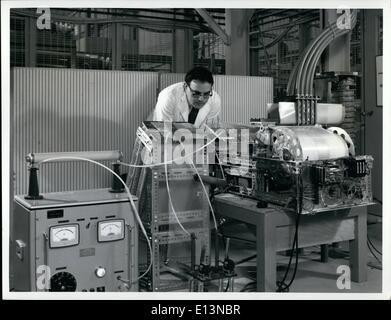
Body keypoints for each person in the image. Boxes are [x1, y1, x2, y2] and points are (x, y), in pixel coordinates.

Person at [153, 66, 221, 128]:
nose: (201, 99)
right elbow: (162, 132)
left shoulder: (215, 100)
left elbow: (210, 132)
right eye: (196, 94)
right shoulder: (168, 97)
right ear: (185, 86)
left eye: (206, 94)